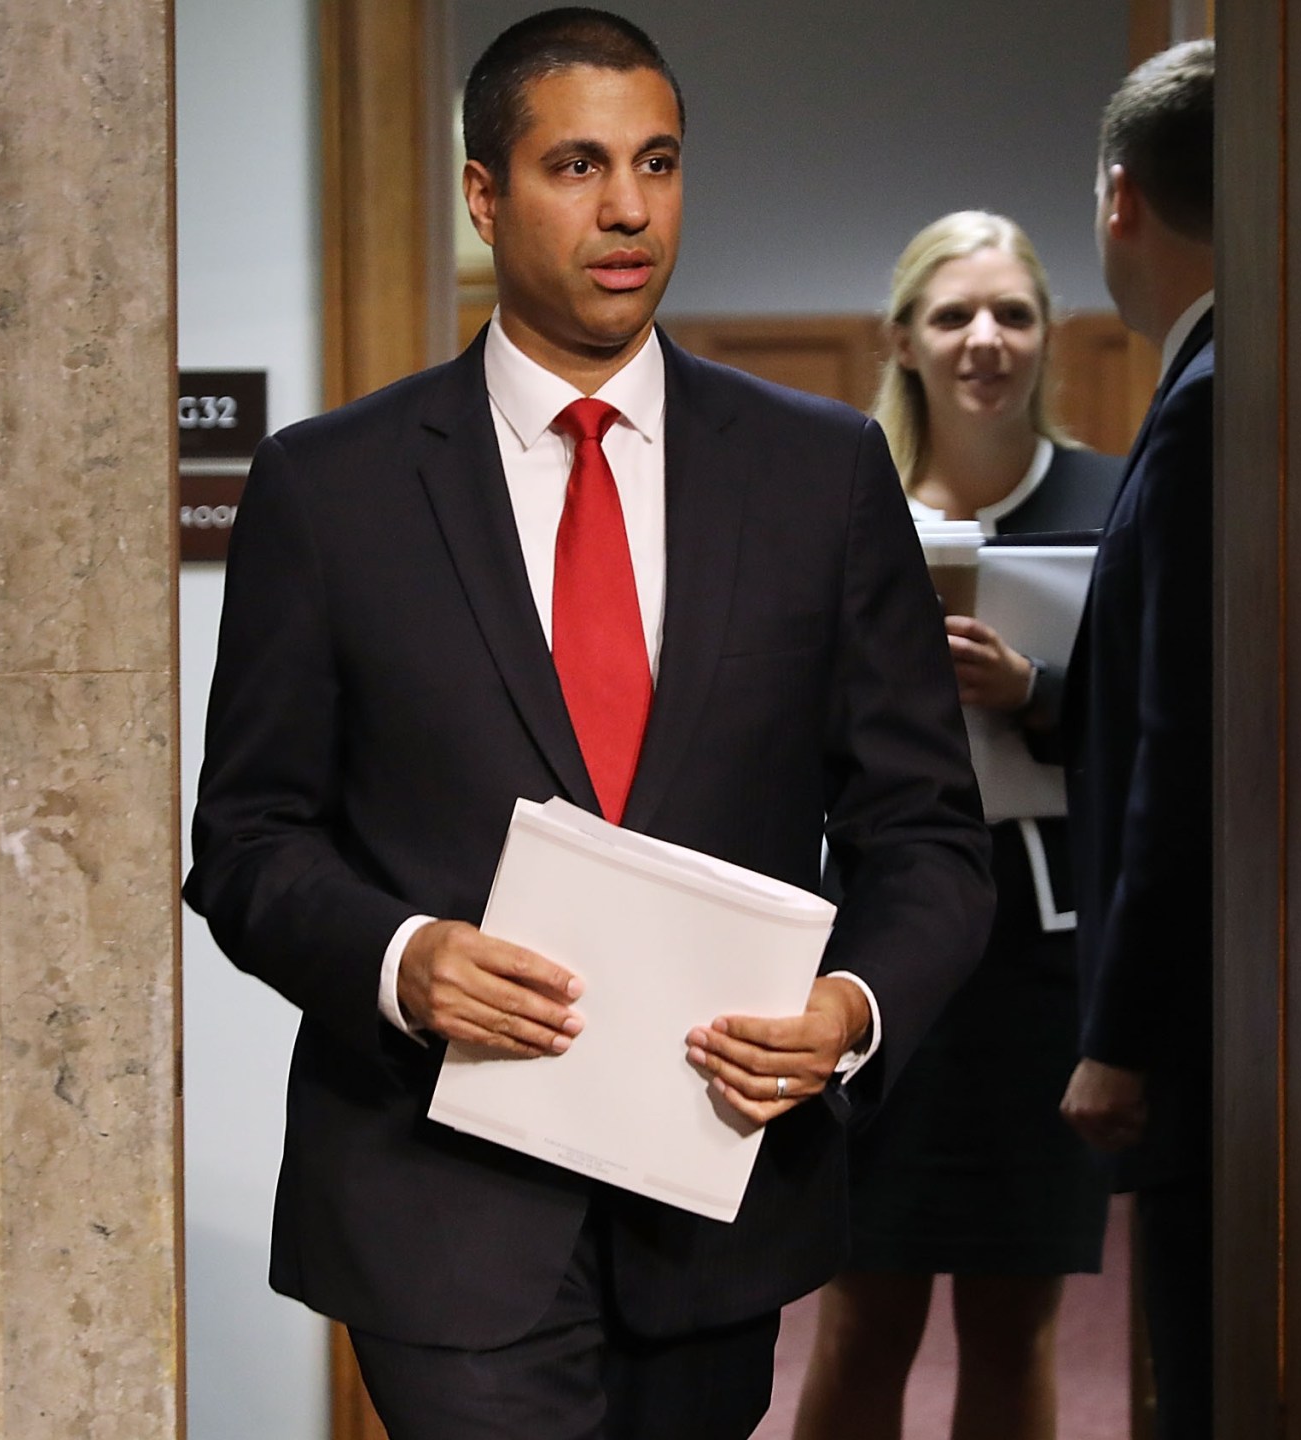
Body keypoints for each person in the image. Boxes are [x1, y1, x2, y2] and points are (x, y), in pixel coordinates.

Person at [182, 10, 993, 1440]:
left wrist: (848, 1014)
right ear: (485, 196)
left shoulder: (822, 474)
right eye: (576, 165)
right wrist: (401, 957)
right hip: (434, 1195)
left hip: (715, 1192)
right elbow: (246, 842)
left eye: (658, 161)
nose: (627, 207)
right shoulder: (333, 488)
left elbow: (924, 835)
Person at [792, 212, 1117, 1440]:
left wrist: (1032, 693)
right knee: (861, 1311)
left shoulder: (1110, 497)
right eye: (953, 315)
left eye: (1013, 314)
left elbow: (1168, 729)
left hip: (1041, 957)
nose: (986, 339)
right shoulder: (840, 498)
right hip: (874, 946)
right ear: (905, 342)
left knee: (1012, 1314)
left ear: (1047, 338)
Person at [1054, 38, 1218, 1440]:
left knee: (1207, 1380)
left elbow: (1185, 750)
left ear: (1122, 200)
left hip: (1205, 1028)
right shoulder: (1237, 373)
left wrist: (1120, 1031)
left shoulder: (1208, 403)